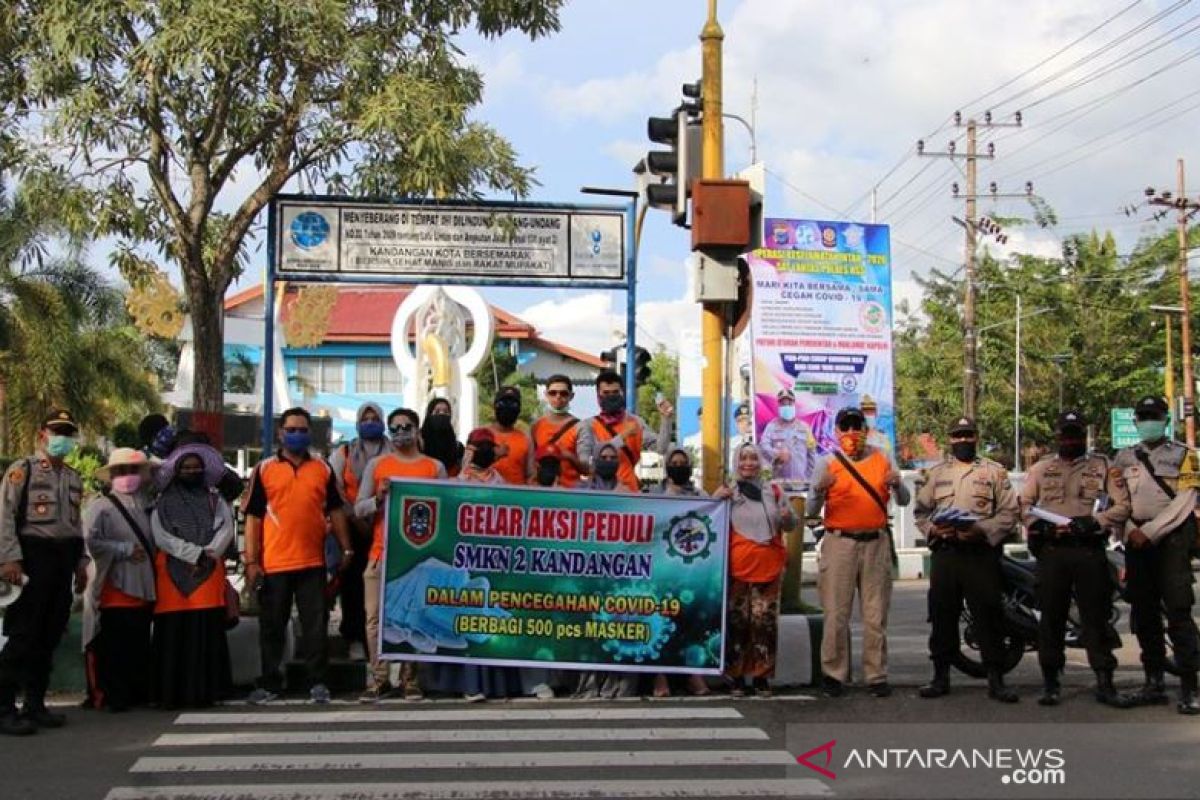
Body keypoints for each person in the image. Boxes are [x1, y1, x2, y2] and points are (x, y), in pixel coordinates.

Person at [1020, 409, 1132, 708]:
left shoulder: (1103, 466)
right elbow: (1024, 504)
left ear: (1085, 436)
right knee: (1051, 618)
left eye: (1076, 435)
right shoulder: (1042, 469)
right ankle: (1051, 682)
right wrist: (1035, 524)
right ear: (1057, 437)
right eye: (1065, 435)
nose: (1070, 440)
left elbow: (1122, 506)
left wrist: (1096, 521)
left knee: (1095, 617)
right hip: (1053, 552)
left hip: (1088, 550)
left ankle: (1105, 681)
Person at [243, 407, 353, 705]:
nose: (297, 434)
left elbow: (335, 511)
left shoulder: (322, 469)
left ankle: (318, 683)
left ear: (310, 433)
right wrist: (251, 562)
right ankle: (269, 683)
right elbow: (253, 518)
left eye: (302, 429)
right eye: (291, 429)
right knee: (272, 627)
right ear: (280, 433)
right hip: (274, 564)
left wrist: (346, 548)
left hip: (312, 563)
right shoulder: (264, 469)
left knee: (316, 628)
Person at [912, 417, 1019, 703]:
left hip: (980, 554)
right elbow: (920, 512)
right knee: (942, 615)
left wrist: (982, 530)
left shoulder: (993, 473)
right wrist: (934, 529)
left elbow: (1009, 513)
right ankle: (940, 676)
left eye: (967, 435)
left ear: (976, 437)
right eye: (957, 436)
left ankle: (996, 678)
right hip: (946, 554)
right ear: (950, 439)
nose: (962, 441)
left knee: (988, 615)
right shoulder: (936, 474)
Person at [807, 405, 910, 698]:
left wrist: (898, 484)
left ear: (865, 430)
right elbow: (812, 512)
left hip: (875, 542)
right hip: (840, 542)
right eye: (846, 427)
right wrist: (818, 490)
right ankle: (834, 674)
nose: (852, 433)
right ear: (837, 431)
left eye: (857, 426)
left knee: (875, 614)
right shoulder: (827, 463)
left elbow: (903, 501)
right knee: (836, 613)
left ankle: (876, 674)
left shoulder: (882, 459)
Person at [0, 409, 86, 736]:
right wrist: (9, 559)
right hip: (31, 556)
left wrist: (81, 563)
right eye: (56, 431)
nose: (62, 438)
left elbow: (77, 525)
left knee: (49, 634)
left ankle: (34, 705)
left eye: (67, 432)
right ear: (42, 434)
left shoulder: (74, 477)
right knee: (23, 634)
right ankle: (4, 707)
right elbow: (5, 515)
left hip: (63, 557)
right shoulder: (23, 470)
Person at [1113, 396, 1200, 714]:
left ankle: (1190, 687)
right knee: (1145, 615)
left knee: (1178, 614)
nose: (1149, 420)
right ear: (1135, 421)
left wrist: (1149, 533)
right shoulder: (1123, 457)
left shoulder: (1186, 456)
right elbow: (1117, 500)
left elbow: (1185, 501)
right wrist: (1124, 533)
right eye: (1143, 416)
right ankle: (1154, 682)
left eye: (1155, 415)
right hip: (1136, 547)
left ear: (1165, 419)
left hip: (1170, 543)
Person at [354, 408, 446, 702]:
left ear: (417, 430)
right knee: (374, 619)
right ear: (389, 432)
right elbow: (358, 508)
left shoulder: (434, 467)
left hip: (419, 557)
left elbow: (447, 510)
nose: (401, 432)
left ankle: (410, 678)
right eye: (395, 428)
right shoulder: (377, 465)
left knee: (415, 617)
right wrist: (378, 499)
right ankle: (378, 678)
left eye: (407, 426)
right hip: (382, 552)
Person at [428, 428, 524, 701]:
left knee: (490, 620)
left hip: (495, 560)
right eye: (477, 446)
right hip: (464, 560)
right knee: (464, 618)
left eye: (487, 446)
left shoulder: (501, 482)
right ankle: (469, 683)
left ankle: (497, 685)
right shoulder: (456, 482)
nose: (483, 451)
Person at [150, 443, 235, 709]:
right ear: (176, 471)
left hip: (209, 573)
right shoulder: (163, 503)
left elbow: (226, 528)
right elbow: (161, 535)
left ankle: (208, 692)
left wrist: (208, 554)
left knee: (205, 633)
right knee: (174, 635)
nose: (192, 471)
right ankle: (171, 694)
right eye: (186, 468)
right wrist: (192, 554)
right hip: (172, 576)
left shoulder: (214, 499)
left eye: (196, 467)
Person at [714, 444, 795, 697]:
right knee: (737, 623)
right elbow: (709, 520)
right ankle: (736, 676)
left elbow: (791, 523)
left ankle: (762, 677)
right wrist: (716, 499)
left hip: (769, 567)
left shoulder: (774, 491)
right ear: (735, 462)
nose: (748, 463)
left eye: (753, 458)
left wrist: (785, 517)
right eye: (743, 458)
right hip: (737, 568)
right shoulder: (728, 492)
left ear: (761, 463)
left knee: (765, 624)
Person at [82, 448, 156, 712]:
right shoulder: (100, 507)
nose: (128, 477)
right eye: (122, 471)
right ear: (111, 476)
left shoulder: (146, 506)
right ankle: (112, 694)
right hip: (113, 590)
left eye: (133, 470)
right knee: (114, 648)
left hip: (142, 590)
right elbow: (89, 542)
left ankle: (134, 692)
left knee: (136, 646)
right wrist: (122, 549)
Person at [571, 443, 641, 699]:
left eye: (613, 458)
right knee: (588, 630)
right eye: (604, 457)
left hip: (619, 570)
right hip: (587, 570)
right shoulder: (580, 490)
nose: (609, 461)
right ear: (595, 460)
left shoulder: (628, 492)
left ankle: (617, 684)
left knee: (618, 625)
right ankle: (588, 684)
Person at [329, 402, 391, 661]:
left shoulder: (393, 452)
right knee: (353, 585)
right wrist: (355, 517)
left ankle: (384, 641)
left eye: (374, 418)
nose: (370, 422)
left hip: (385, 526)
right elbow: (336, 490)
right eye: (365, 419)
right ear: (356, 423)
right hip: (350, 525)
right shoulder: (343, 452)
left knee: (385, 587)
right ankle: (354, 637)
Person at [647, 448, 711, 697]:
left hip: (693, 570)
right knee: (661, 621)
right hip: (662, 569)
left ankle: (694, 676)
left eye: (683, 463)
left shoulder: (700, 495)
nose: (678, 466)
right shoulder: (656, 494)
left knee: (691, 622)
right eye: (673, 463)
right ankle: (660, 678)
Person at [577, 370, 673, 493]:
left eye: (615, 392)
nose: (611, 396)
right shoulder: (588, 426)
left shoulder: (636, 422)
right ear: (598, 396)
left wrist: (666, 419)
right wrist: (622, 436)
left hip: (629, 494)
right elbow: (584, 464)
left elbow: (660, 449)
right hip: (599, 494)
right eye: (606, 393)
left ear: (622, 393)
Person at [530, 375, 584, 488]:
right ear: (546, 395)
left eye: (563, 393)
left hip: (571, 492)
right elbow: (531, 462)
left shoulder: (580, 427)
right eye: (553, 393)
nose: (558, 397)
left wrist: (568, 456)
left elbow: (587, 469)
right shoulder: (536, 426)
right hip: (543, 491)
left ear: (571, 396)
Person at [759, 388, 817, 485]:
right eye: (783, 404)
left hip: (801, 483)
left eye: (789, 403)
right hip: (779, 483)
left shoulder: (805, 427)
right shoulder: (771, 426)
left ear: (794, 405)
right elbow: (763, 447)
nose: (786, 406)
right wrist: (777, 454)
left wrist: (809, 479)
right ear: (778, 406)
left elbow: (812, 454)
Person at [487, 386, 535, 486]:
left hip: (516, 498)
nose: (507, 407)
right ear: (495, 406)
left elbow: (531, 475)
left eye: (513, 404)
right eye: (503, 403)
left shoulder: (526, 439)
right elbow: (468, 469)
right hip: (485, 498)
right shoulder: (480, 435)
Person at [421, 397, 464, 477]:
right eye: (437, 412)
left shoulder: (458, 448)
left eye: (446, 412)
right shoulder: (419, 444)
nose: (442, 414)